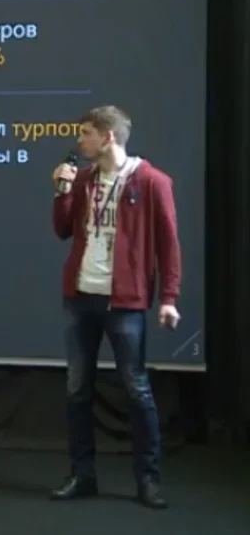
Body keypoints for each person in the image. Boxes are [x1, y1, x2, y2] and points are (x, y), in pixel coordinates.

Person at [50, 105, 180, 509]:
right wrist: (62, 193)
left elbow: (169, 245)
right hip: (80, 297)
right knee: (77, 389)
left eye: (86, 133)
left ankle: (148, 479)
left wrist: (169, 298)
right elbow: (62, 230)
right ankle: (82, 474)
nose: (79, 141)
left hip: (125, 301)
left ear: (107, 136)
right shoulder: (84, 180)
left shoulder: (152, 182)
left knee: (136, 388)